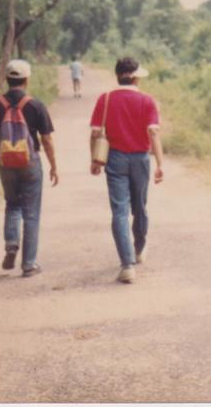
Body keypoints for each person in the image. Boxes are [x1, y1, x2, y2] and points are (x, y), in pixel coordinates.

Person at [0, 59, 59, 277]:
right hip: (30, 162)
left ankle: (11, 243)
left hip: (5, 162)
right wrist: (53, 166)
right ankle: (29, 264)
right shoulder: (36, 105)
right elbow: (47, 140)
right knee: (31, 213)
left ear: (6, 79)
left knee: (12, 203)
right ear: (27, 80)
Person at [89, 57, 164, 284]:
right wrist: (160, 163)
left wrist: (95, 159)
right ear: (134, 77)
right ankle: (139, 248)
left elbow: (95, 133)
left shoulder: (106, 98)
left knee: (120, 211)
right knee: (139, 207)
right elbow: (153, 132)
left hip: (115, 159)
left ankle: (127, 265)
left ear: (118, 75)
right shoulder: (147, 101)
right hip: (140, 159)